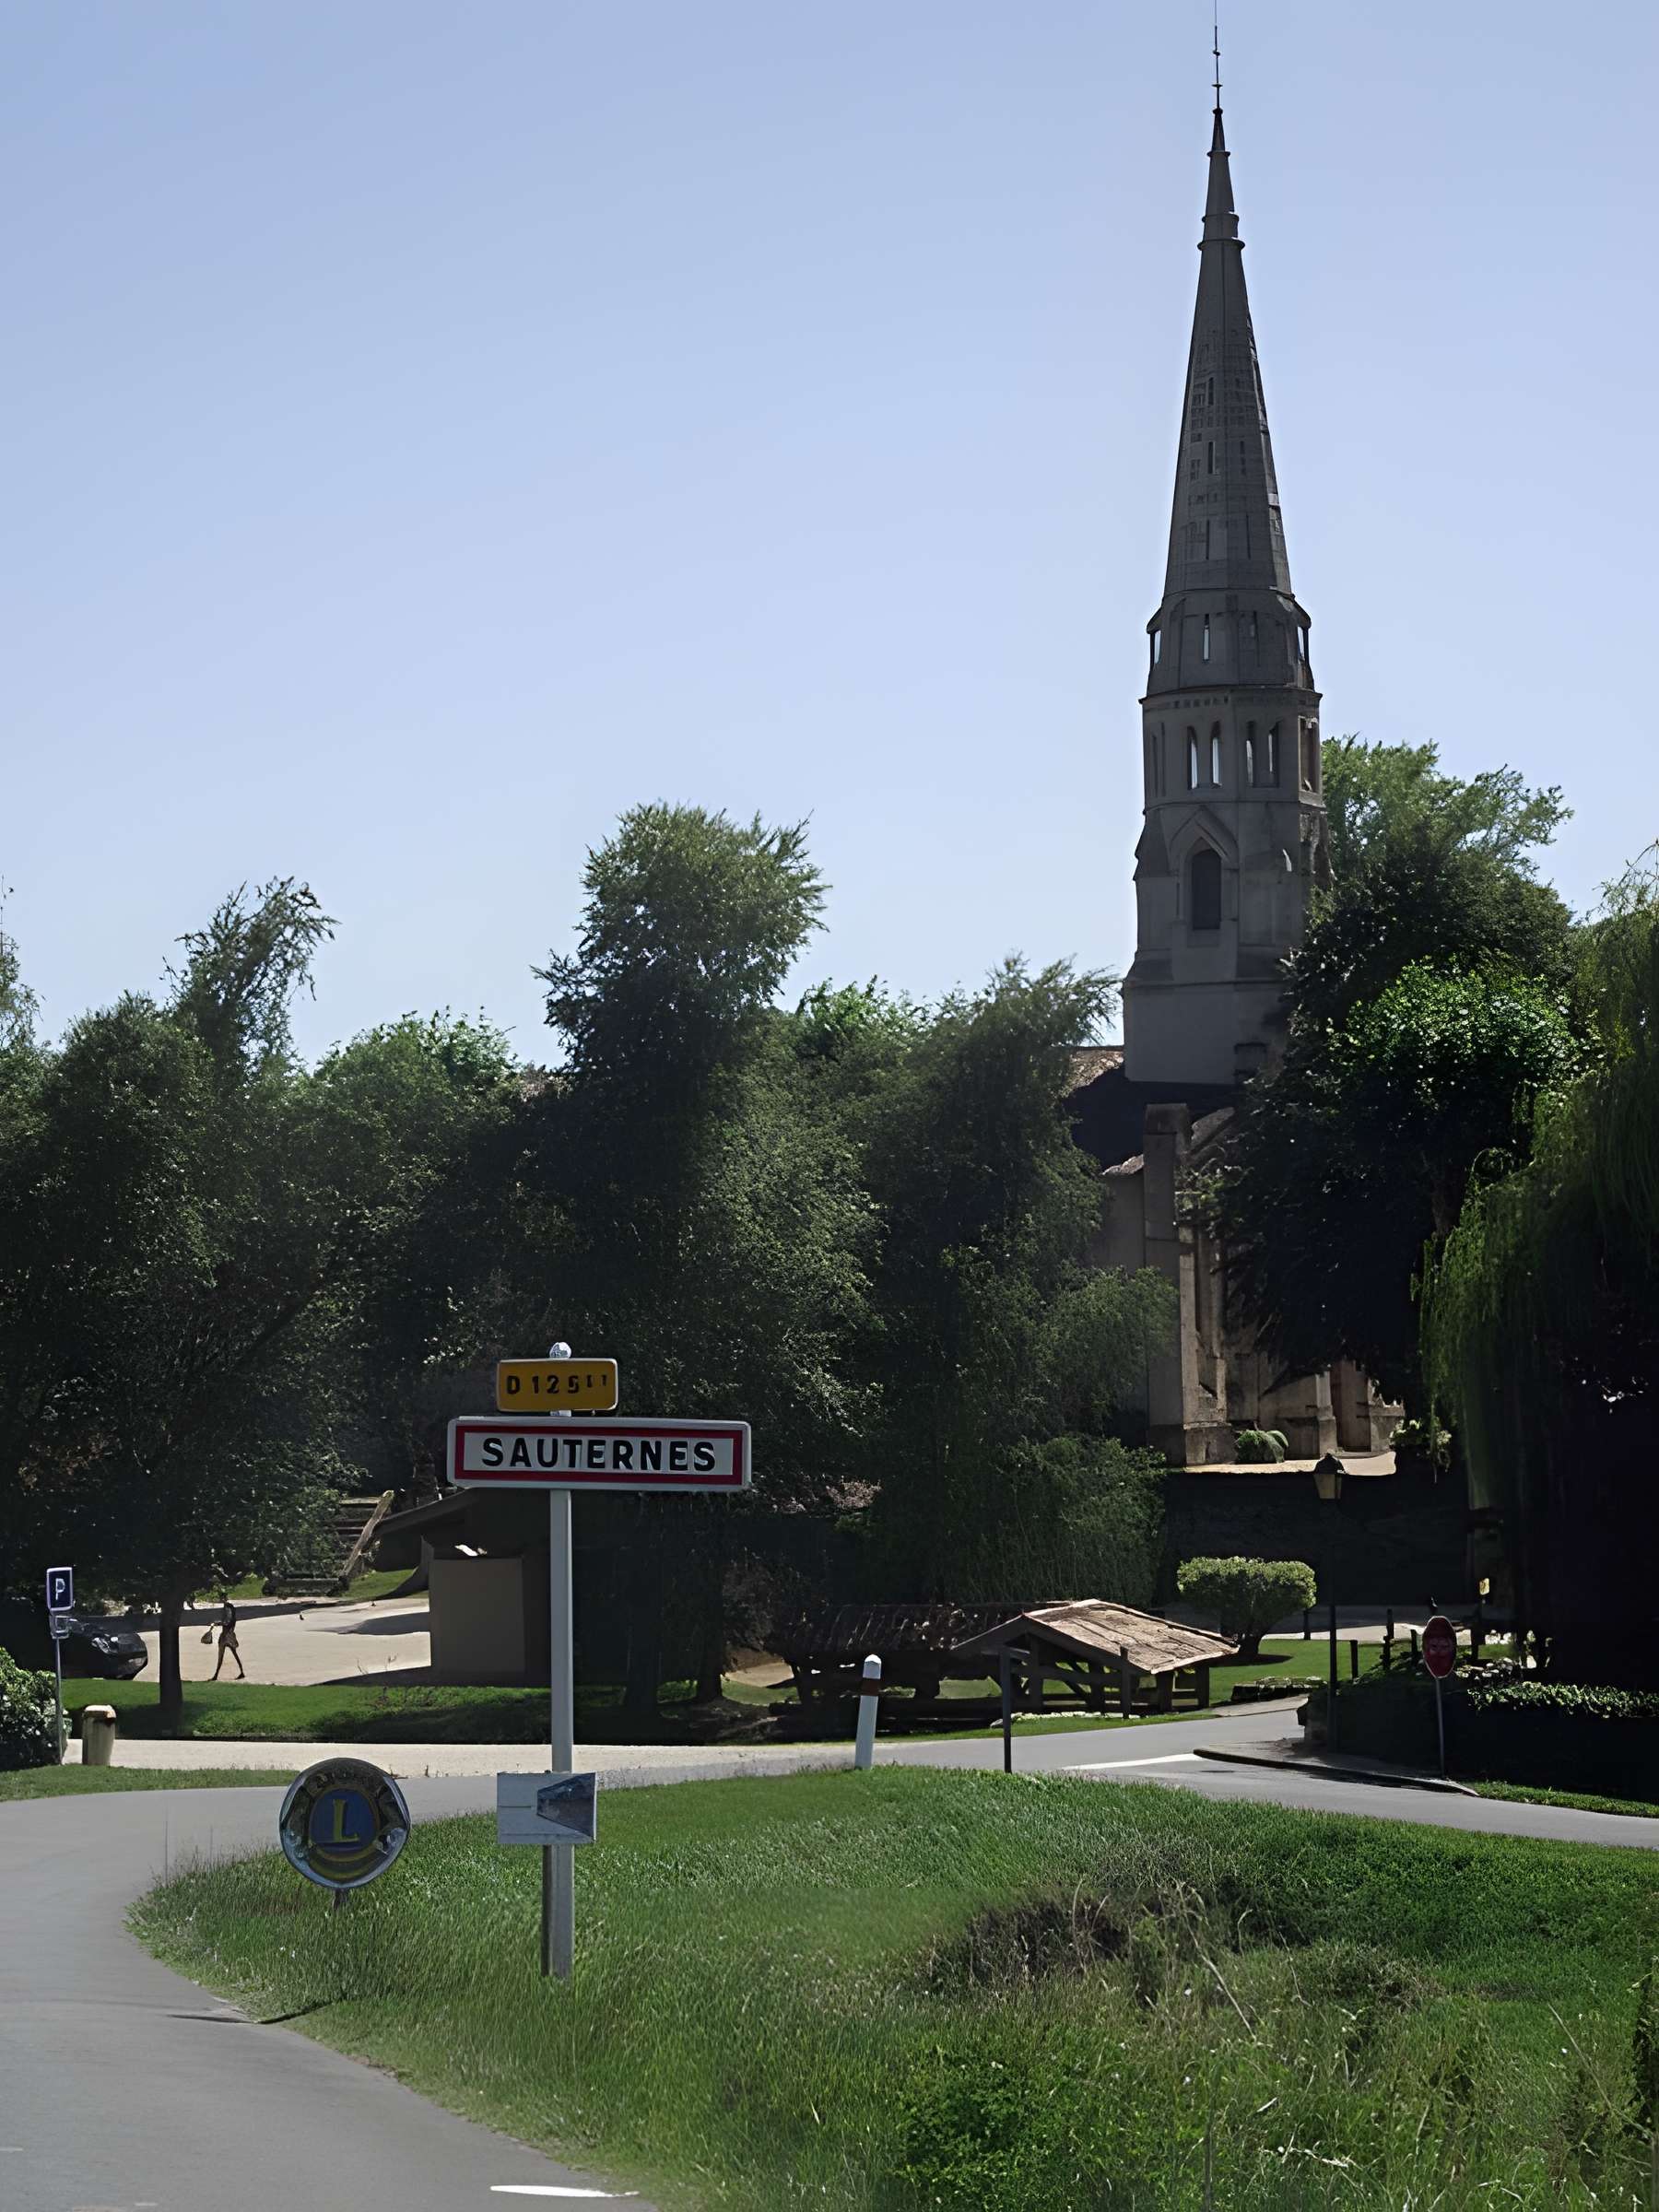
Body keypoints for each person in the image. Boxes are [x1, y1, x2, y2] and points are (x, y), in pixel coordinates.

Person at [211, 1596, 245, 1681]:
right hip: (229, 1635)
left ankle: (216, 1676)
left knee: (221, 1656)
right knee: (234, 1654)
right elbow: (229, 1621)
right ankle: (241, 1672)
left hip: (226, 1636)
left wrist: (218, 1623)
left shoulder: (227, 1608)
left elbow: (227, 1622)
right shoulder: (230, 1609)